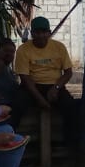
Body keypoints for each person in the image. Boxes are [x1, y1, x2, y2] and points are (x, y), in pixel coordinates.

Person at [12, 16, 79, 149]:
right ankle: (11, 141)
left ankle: (71, 145)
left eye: (44, 32)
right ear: (32, 33)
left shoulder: (59, 47)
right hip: (31, 87)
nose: (41, 36)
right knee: (16, 105)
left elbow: (68, 72)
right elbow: (25, 78)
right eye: (37, 32)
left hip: (54, 86)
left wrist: (56, 88)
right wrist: (40, 99)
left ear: (49, 33)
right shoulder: (23, 50)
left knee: (71, 108)